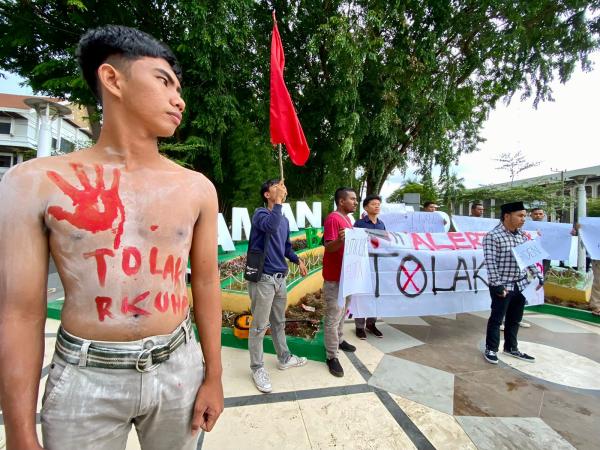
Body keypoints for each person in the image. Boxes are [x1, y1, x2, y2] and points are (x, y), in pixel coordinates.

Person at [0, 26, 223, 450]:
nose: (179, 99)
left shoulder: (197, 188)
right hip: (85, 378)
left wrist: (213, 374)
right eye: (163, 81)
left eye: (179, 88)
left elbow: (206, 282)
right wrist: (19, 431)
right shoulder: (34, 184)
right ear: (112, 79)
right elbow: (19, 314)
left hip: (179, 368)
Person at [246, 179, 308, 393]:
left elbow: (286, 247)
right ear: (266, 195)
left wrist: (297, 259)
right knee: (259, 326)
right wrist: (279, 201)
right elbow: (270, 227)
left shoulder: (283, 220)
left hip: (280, 279)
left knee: (279, 322)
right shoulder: (261, 215)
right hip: (263, 279)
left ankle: (284, 358)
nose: (282, 187)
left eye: (283, 185)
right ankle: (257, 368)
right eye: (276, 186)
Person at [482, 202, 543, 365]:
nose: (524, 219)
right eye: (520, 215)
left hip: (521, 284)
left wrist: (538, 275)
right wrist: (497, 285)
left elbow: (528, 258)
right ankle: (491, 348)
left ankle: (511, 347)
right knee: (497, 319)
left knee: (515, 319)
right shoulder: (492, 236)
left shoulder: (522, 235)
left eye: (524, 216)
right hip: (503, 285)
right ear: (507, 216)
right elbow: (490, 263)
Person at [322, 187, 358, 377]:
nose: (355, 202)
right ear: (341, 201)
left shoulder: (347, 220)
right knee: (333, 316)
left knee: (343, 312)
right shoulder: (333, 219)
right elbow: (329, 246)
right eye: (352, 199)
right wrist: (341, 241)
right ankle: (331, 356)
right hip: (335, 277)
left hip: (347, 276)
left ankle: (340, 339)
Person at [353, 194, 385, 339]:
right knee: (361, 295)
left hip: (377, 265)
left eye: (378, 204)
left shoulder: (381, 224)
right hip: (362, 264)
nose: (377, 206)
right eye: (373, 204)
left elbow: (385, 244)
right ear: (366, 207)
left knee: (375, 294)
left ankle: (371, 324)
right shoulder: (359, 224)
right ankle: (359, 326)